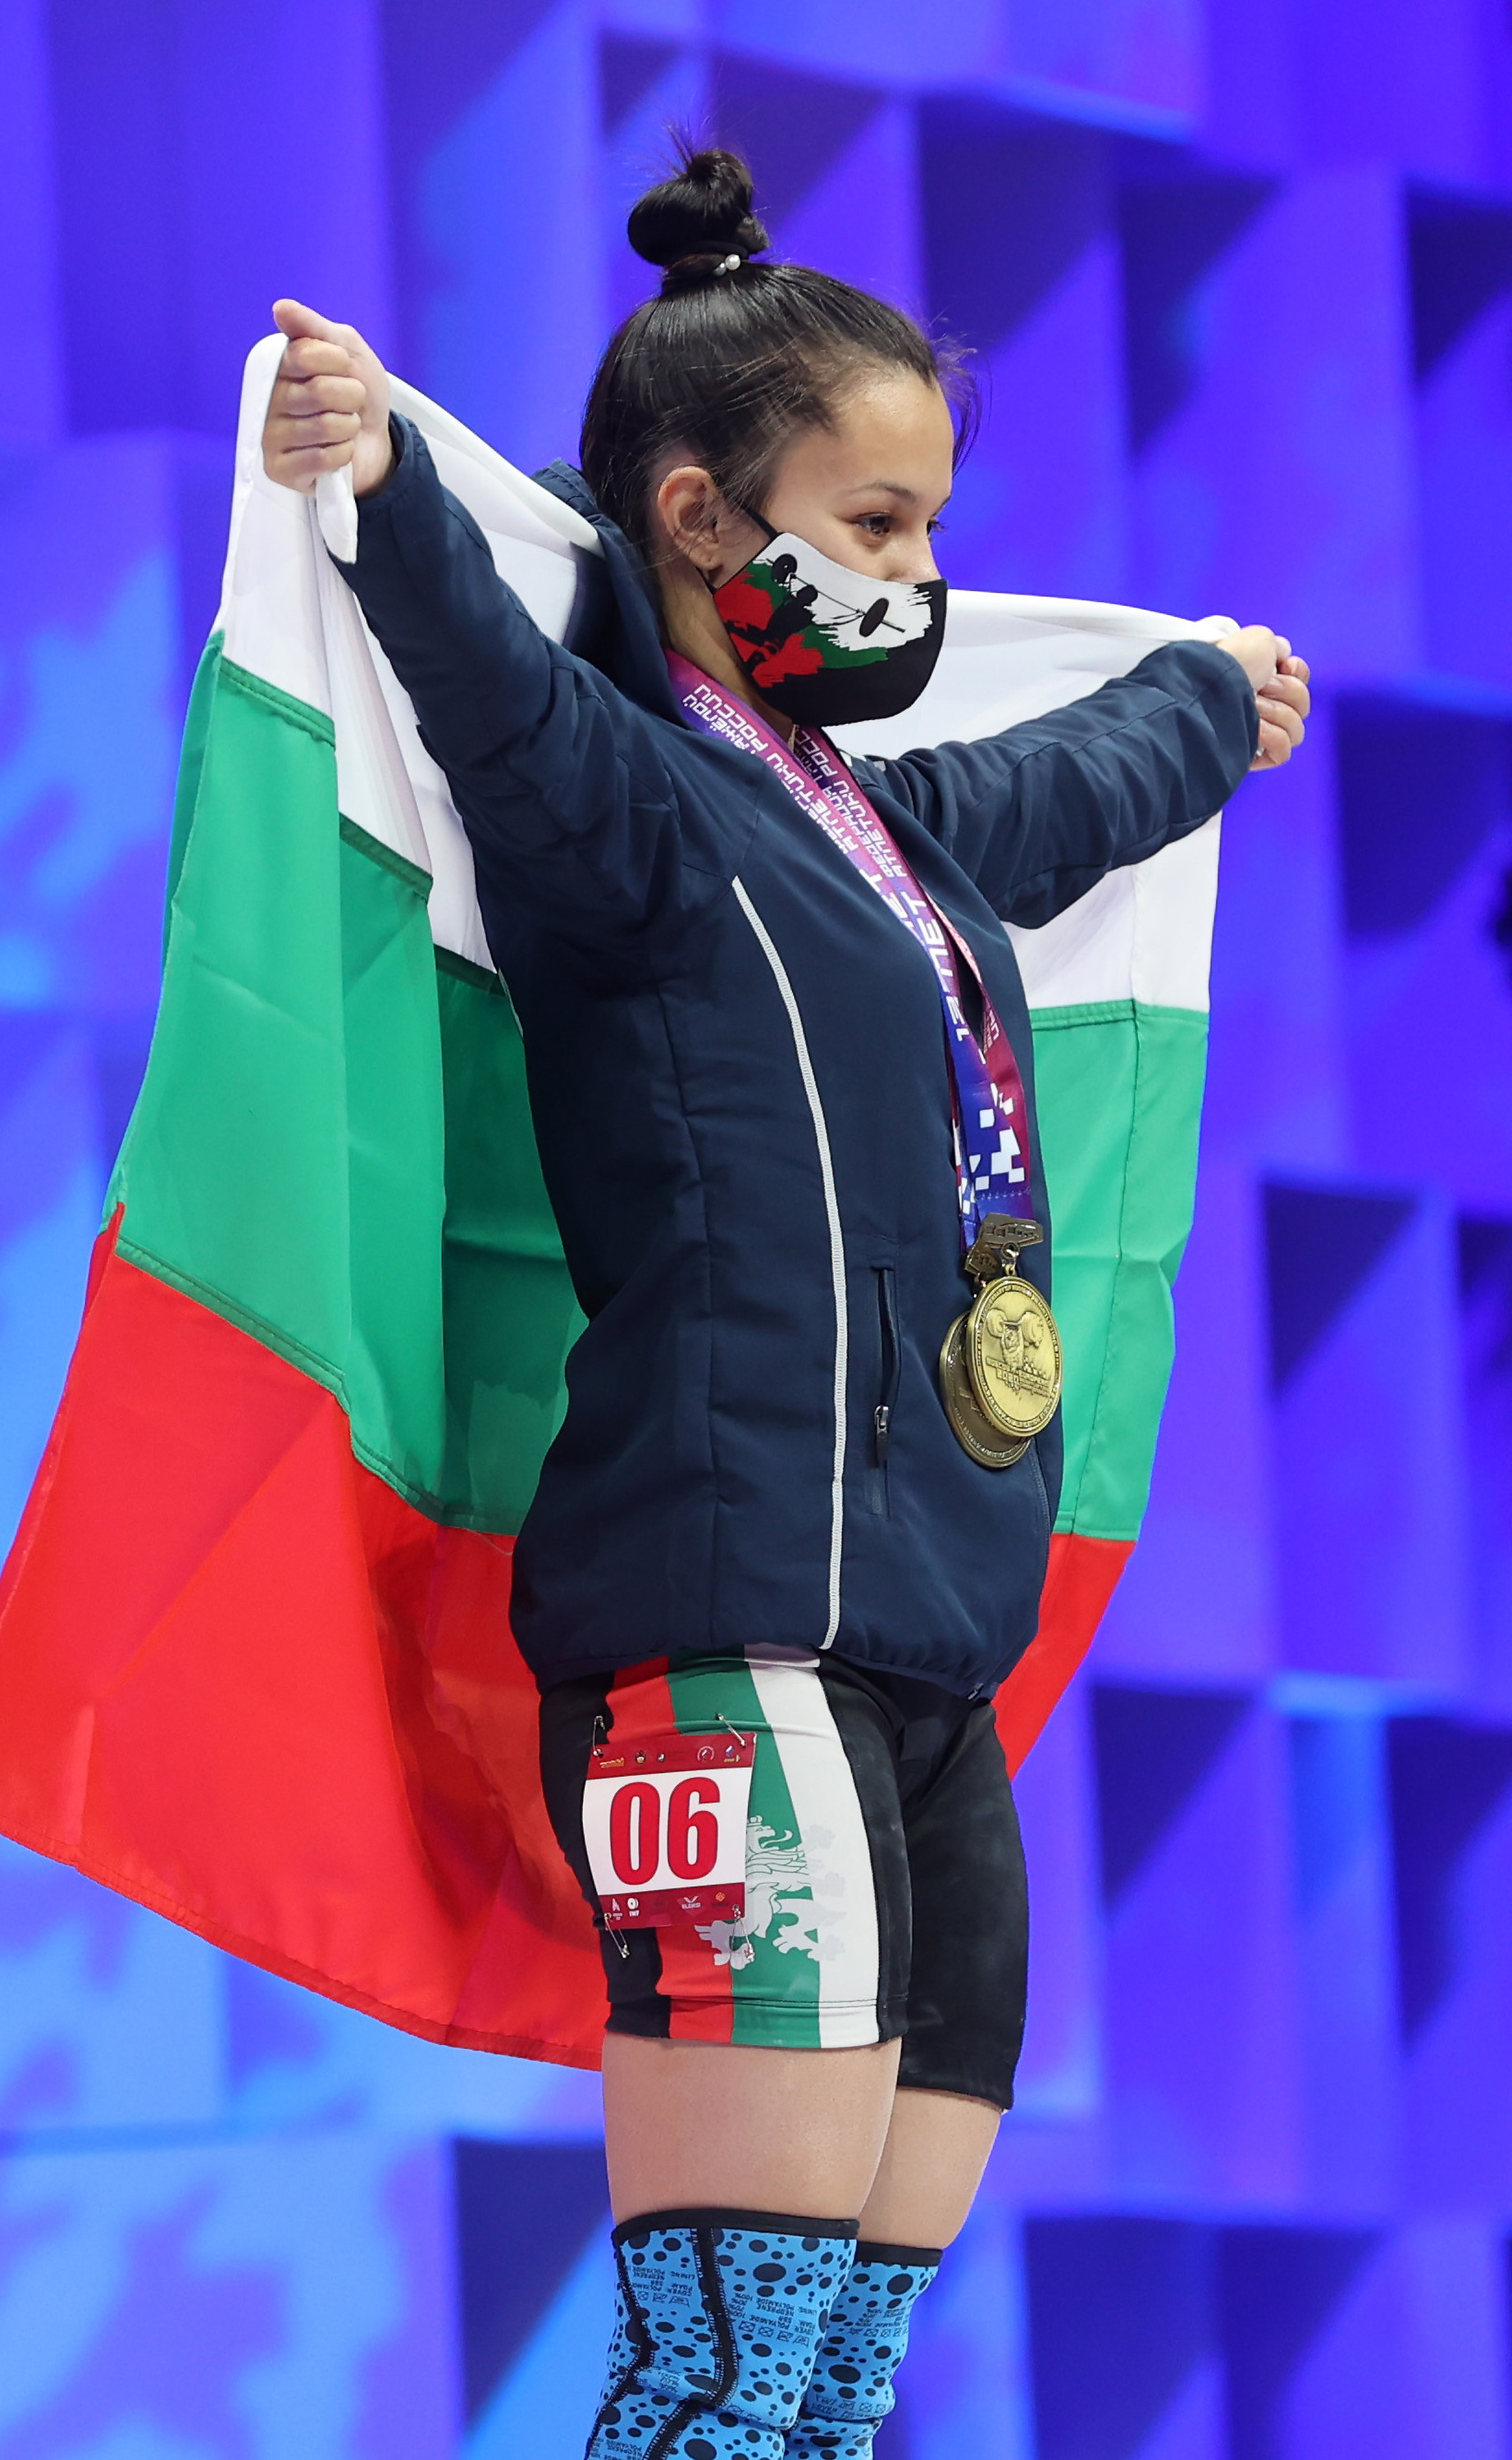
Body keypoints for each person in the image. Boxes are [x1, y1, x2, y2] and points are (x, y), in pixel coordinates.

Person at [261, 146, 1309, 2460]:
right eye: (881, 524)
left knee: (838, 2386)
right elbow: (485, 685)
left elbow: (1066, 781)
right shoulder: (624, 813)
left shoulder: (891, 835)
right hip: (728, 1631)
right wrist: (379, 487)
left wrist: (1208, 700)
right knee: (726, 2383)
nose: (920, 575)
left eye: (931, 526)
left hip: (935, 1662)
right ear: (698, 518)